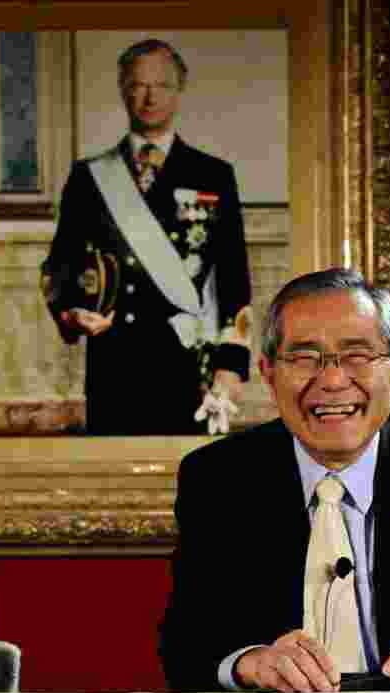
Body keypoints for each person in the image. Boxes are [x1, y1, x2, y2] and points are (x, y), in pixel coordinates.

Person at [158, 268, 390, 693]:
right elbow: (185, 647)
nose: (333, 381)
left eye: (357, 355)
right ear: (268, 373)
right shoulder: (219, 481)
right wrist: (250, 662)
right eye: (305, 358)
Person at [41, 38, 252, 436]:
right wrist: (71, 312)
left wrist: (231, 365)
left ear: (179, 91)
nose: (150, 96)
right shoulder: (89, 177)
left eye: (162, 85)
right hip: (113, 359)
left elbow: (233, 277)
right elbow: (61, 264)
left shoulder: (212, 175)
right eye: (138, 85)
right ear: (123, 89)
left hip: (188, 361)